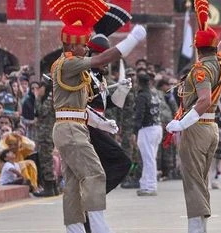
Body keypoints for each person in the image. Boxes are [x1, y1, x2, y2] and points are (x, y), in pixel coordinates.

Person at [47, 0, 146, 231]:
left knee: (73, 183)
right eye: (83, 45)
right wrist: (132, 39)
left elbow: (78, 109)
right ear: (72, 46)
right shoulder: (68, 63)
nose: (86, 49)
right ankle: (99, 228)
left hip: (74, 125)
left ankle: (76, 229)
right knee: (94, 174)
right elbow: (102, 59)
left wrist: (102, 122)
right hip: (71, 129)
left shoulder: (72, 66)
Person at [165, 0, 221, 231]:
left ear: (197, 49)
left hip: (197, 127)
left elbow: (204, 100)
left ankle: (196, 228)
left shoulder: (201, 69)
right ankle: (201, 226)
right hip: (211, 128)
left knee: (193, 180)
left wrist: (181, 123)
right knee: (201, 179)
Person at [86, 34, 131, 194]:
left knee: (106, 166)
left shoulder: (100, 78)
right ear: (94, 56)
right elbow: (82, 105)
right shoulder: (85, 76)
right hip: (90, 127)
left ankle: (93, 204)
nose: (107, 62)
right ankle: (94, 196)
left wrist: (122, 91)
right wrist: (100, 123)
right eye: (103, 56)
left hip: (101, 126)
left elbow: (110, 104)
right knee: (122, 162)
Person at [132, 73, 162, 196]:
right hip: (157, 127)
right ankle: (145, 184)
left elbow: (139, 115)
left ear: (139, 82)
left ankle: (150, 186)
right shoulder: (154, 94)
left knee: (148, 159)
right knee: (149, 158)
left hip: (147, 129)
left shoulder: (141, 96)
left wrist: (135, 132)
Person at [32, 78, 57, 197]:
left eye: (41, 87)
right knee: (48, 160)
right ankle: (53, 186)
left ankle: (49, 188)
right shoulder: (51, 97)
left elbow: (41, 111)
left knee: (46, 161)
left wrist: (37, 97)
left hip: (46, 135)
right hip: (46, 134)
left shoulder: (49, 98)